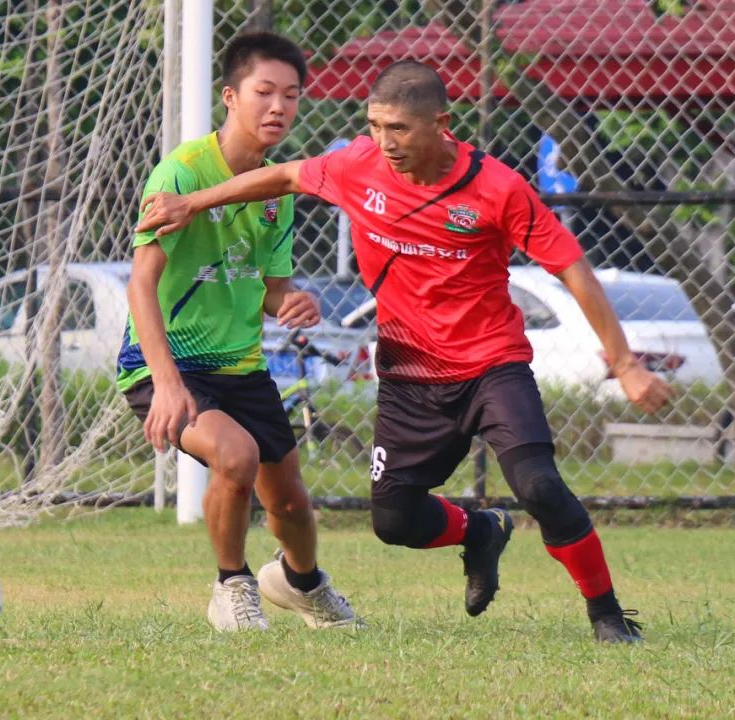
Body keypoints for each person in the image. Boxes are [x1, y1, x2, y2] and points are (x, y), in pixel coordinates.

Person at [136, 61, 675, 643]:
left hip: (493, 366)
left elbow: (573, 269)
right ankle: (480, 532)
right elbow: (287, 176)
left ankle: (608, 617)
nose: (384, 142)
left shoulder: (498, 189)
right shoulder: (358, 165)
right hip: (408, 374)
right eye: (374, 126)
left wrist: (624, 363)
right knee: (394, 521)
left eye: (398, 129)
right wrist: (196, 203)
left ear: (442, 124)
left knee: (539, 485)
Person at [117, 32, 361, 632]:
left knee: (292, 504)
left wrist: (292, 301)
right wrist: (168, 384)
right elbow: (139, 286)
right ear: (230, 96)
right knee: (235, 457)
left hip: (242, 366)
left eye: (291, 96)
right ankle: (232, 586)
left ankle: (301, 584)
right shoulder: (179, 172)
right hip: (165, 365)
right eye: (264, 92)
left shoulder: (278, 190)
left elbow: (271, 286)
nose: (278, 106)